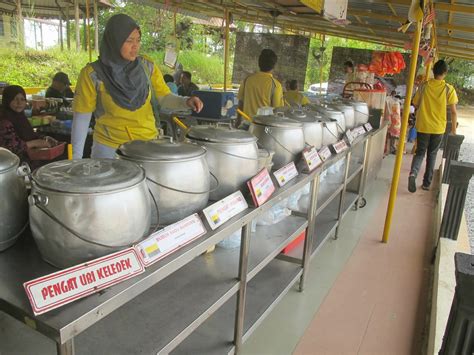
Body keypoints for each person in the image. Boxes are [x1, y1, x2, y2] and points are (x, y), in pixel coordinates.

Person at [72, 14, 203, 159]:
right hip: (109, 150)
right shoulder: (93, 74)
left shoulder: (147, 67)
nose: (135, 46)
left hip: (148, 147)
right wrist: (76, 160)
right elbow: (81, 119)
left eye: (138, 40)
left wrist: (185, 102)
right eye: (129, 41)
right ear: (114, 41)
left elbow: (164, 98)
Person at [408, 60, 458, 193]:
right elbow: (453, 112)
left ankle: (413, 174)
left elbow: (415, 103)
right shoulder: (449, 89)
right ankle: (426, 184)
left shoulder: (424, 86)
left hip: (423, 125)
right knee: (432, 154)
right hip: (438, 128)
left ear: (433, 71)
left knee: (420, 152)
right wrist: (453, 130)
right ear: (445, 73)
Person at [0, 85, 54, 164]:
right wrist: (36, 142)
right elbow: (12, 148)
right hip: (13, 164)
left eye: (22, 99)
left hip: (28, 159)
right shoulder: (4, 121)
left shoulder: (20, 117)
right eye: (15, 99)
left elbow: (27, 134)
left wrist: (43, 138)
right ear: (7, 100)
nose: (19, 103)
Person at [237, 48, 284, 123]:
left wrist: (237, 121)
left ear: (259, 63)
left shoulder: (247, 80)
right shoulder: (276, 85)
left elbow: (240, 104)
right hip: (263, 128)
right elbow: (278, 111)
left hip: (246, 125)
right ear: (274, 66)